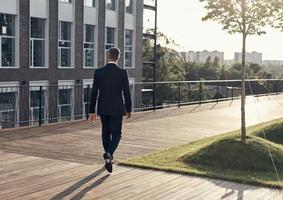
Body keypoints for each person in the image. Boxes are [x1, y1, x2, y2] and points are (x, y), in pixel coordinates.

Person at [89, 47, 132, 173]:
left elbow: (94, 92)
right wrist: (129, 109)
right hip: (117, 109)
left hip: (103, 108)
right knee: (117, 133)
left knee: (105, 133)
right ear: (118, 57)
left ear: (108, 56)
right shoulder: (123, 73)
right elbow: (127, 93)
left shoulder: (99, 72)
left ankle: (108, 159)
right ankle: (109, 154)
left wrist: (92, 110)